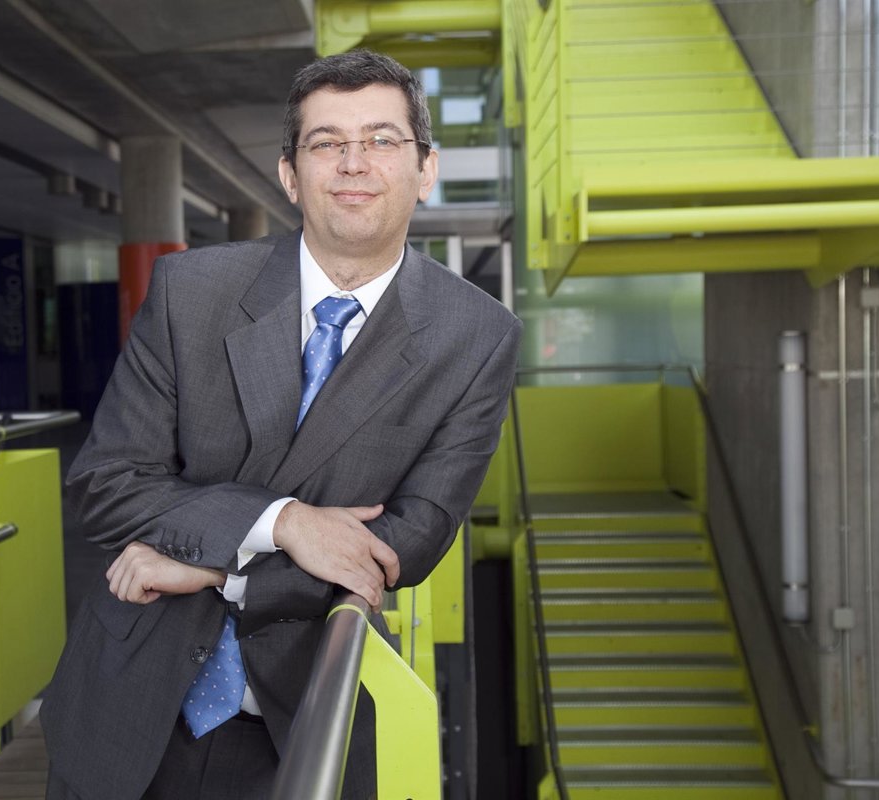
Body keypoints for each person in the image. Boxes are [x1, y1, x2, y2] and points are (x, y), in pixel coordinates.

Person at [41, 49, 521, 800]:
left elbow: (409, 541)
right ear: (291, 175)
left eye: (382, 139)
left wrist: (221, 571)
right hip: (129, 699)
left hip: (303, 713)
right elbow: (107, 485)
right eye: (327, 143)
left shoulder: (476, 335)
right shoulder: (191, 291)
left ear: (426, 168)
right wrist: (284, 523)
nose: (354, 162)